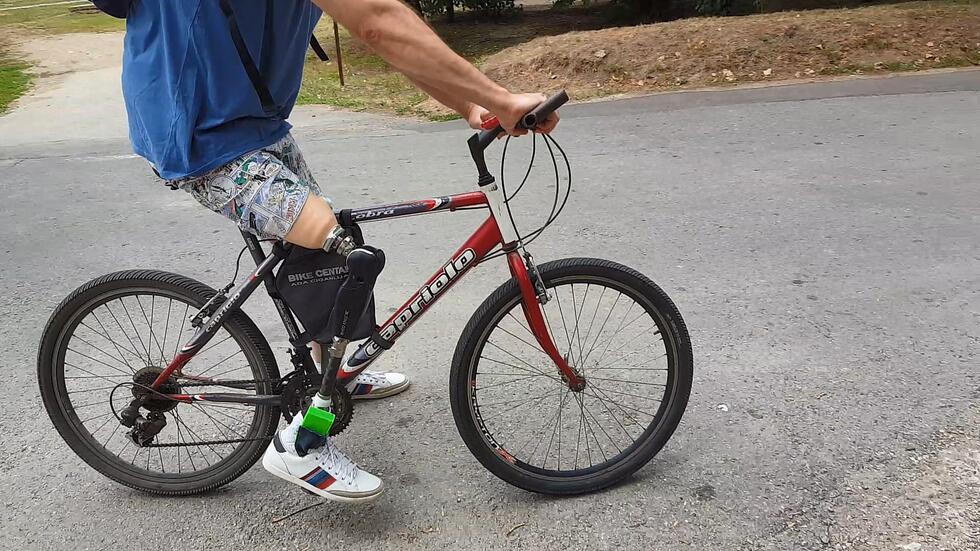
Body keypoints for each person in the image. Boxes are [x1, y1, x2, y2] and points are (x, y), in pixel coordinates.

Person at [121, 0, 560, 504]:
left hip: (255, 127)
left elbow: (386, 26)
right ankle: (301, 442)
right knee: (336, 241)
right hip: (198, 137)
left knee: (324, 254)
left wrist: (470, 106)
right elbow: (378, 21)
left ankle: (335, 375)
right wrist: (500, 97)